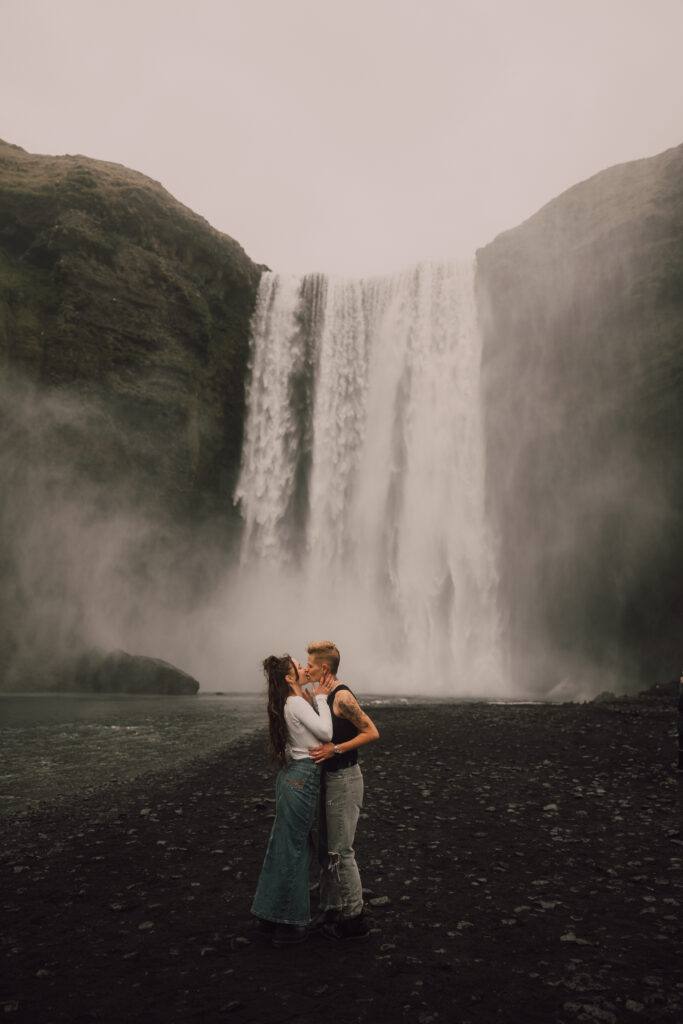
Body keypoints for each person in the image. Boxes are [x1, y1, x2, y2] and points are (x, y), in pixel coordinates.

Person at [251, 653, 334, 946]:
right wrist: (322, 699)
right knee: (296, 849)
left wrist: (312, 700)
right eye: (298, 667)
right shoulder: (295, 702)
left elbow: (302, 737)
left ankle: (268, 917)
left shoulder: (290, 702)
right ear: (289, 678)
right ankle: (290, 925)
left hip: (291, 778)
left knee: (282, 847)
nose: (303, 668)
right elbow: (326, 733)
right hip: (303, 777)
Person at [306, 640, 380, 940]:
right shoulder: (324, 696)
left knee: (341, 852)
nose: (306, 668)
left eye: (310, 665)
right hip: (330, 780)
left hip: (345, 780)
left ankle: (355, 919)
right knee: (326, 849)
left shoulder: (342, 696)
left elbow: (372, 732)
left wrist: (335, 749)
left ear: (324, 668)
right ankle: (330, 908)